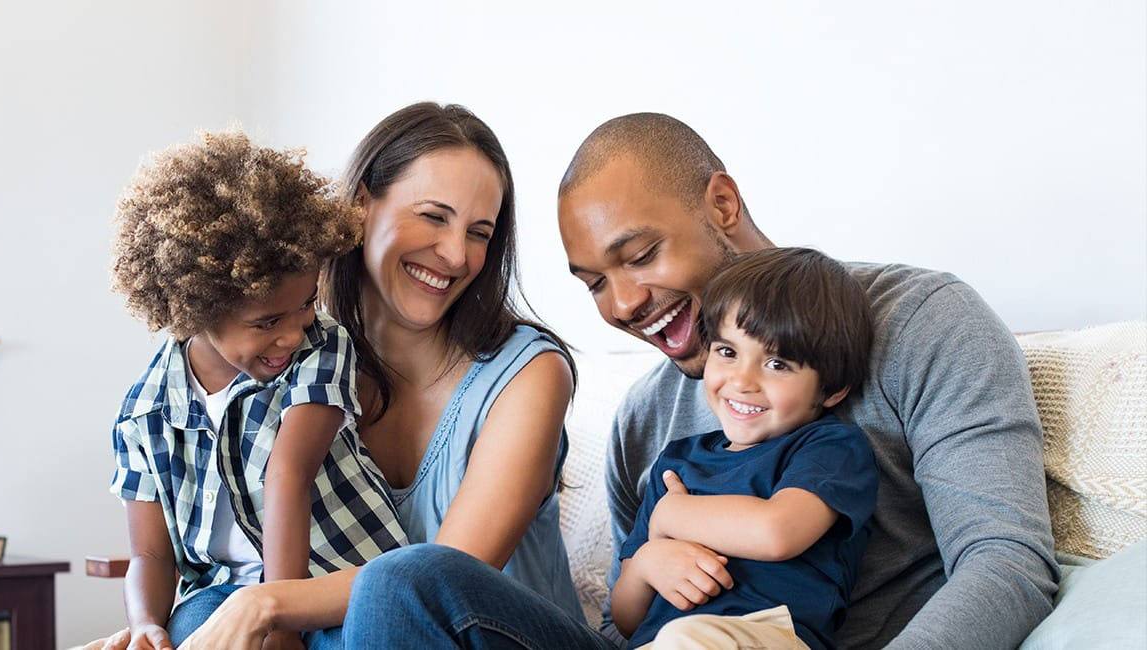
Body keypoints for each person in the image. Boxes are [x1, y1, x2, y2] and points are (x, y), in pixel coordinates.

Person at [343, 112, 1057, 650]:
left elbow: (1006, 563)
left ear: (721, 205)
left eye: (641, 254)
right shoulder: (645, 419)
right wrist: (652, 558)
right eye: (594, 283)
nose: (622, 305)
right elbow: (631, 617)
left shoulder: (923, 323)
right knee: (404, 583)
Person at [102, 102, 587, 650]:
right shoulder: (285, 358)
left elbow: (445, 577)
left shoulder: (530, 373)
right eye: (433, 216)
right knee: (199, 616)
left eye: (479, 232)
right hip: (358, 630)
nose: (456, 254)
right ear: (360, 207)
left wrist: (266, 603)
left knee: (396, 581)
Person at [102, 131, 407, 650]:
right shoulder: (145, 412)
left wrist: (281, 625)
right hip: (220, 590)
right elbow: (150, 556)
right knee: (186, 632)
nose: (292, 333)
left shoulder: (322, 347)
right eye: (266, 321)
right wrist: (146, 623)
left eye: (306, 303)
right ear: (196, 309)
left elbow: (289, 473)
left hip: (334, 579)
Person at [613, 247, 878, 649]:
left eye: (777, 364)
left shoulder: (828, 447)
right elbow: (627, 619)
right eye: (727, 352)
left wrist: (671, 517)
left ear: (831, 388)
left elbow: (777, 532)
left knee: (683, 639)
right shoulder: (676, 464)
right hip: (663, 641)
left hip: (768, 633)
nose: (742, 381)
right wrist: (648, 562)